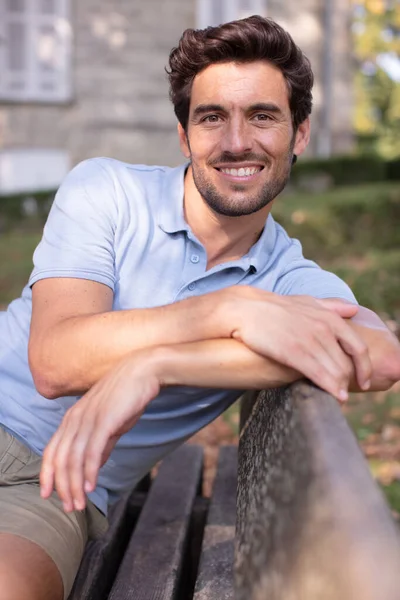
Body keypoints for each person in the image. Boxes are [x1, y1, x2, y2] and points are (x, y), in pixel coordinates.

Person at [0, 14, 399, 600]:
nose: (237, 141)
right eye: (212, 117)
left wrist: (158, 366)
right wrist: (225, 311)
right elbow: (55, 360)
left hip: (49, 486)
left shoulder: (289, 280)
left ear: (301, 133)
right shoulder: (105, 191)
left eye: (263, 115)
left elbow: (380, 356)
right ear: (185, 137)